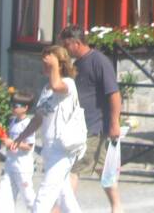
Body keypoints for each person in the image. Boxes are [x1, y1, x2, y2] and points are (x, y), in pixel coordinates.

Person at [59, 25, 123, 213]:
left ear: (76, 43)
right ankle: (117, 206)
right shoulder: (77, 64)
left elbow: (114, 94)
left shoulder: (99, 61)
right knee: (102, 168)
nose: (65, 49)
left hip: (94, 126)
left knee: (73, 169)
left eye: (66, 45)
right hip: (81, 125)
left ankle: (63, 209)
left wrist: (114, 123)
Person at [14, 46, 83, 213]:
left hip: (63, 149)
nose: (44, 65)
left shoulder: (68, 84)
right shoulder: (46, 89)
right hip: (50, 149)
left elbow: (57, 85)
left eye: (48, 62)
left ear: (60, 64)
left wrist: (54, 65)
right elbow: (38, 118)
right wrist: (21, 136)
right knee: (65, 197)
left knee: (44, 196)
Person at [0, 90, 36, 212]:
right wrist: (1, 137)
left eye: (16, 106)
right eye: (12, 104)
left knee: (28, 197)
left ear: (25, 108)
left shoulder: (28, 124)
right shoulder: (12, 121)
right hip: (10, 164)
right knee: (4, 195)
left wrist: (12, 143)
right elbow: (8, 141)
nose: (12, 108)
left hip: (22, 167)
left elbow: (29, 146)